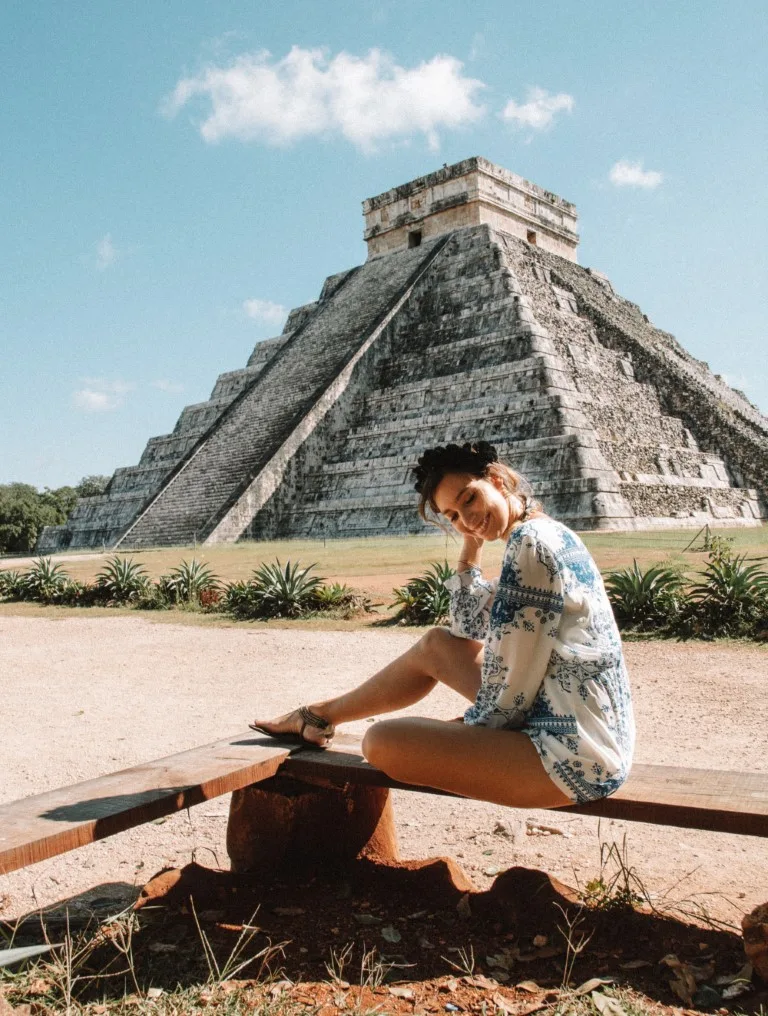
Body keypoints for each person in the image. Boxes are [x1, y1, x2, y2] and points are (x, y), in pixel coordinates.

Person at [251, 441, 635, 809]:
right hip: (576, 718)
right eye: (452, 516)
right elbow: (465, 628)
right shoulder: (543, 531)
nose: (466, 520)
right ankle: (318, 716)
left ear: (497, 479)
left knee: (382, 741)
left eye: (469, 498)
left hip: (575, 756)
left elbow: (512, 682)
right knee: (437, 645)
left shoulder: (531, 547)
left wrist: (465, 728)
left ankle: (314, 718)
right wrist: (471, 548)